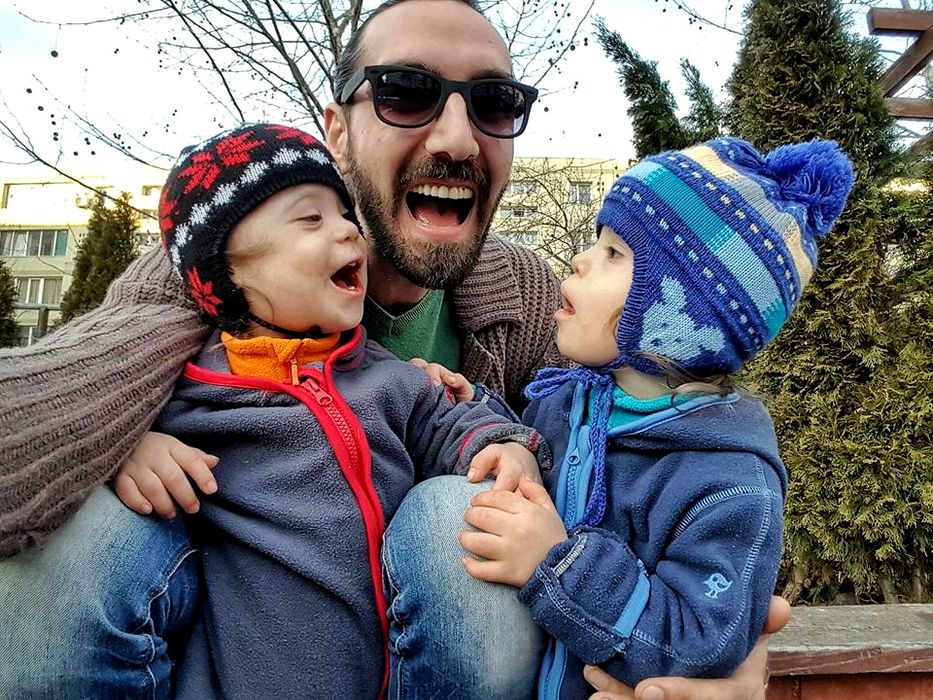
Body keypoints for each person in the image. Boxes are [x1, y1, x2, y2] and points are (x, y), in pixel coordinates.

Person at [0, 0, 784, 697]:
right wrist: (116, 441)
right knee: (86, 527)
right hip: (236, 654)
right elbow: (24, 434)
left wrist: (713, 658)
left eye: (493, 104)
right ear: (338, 132)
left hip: (439, 662)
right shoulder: (202, 274)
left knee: (465, 511)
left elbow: (653, 478)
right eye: (406, 93)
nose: (457, 136)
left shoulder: (534, 301)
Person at [111, 122, 554, 698]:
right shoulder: (194, 396)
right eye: (310, 219)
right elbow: (98, 442)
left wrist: (504, 443)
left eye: (345, 215)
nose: (348, 230)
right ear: (229, 271)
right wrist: (129, 448)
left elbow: (451, 422)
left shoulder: (388, 378)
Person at [457, 137, 854, 696]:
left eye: (614, 253)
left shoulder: (729, 484)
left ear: (678, 314)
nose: (579, 260)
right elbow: (524, 455)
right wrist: (482, 416)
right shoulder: (567, 404)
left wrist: (556, 562)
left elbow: (700, 643)